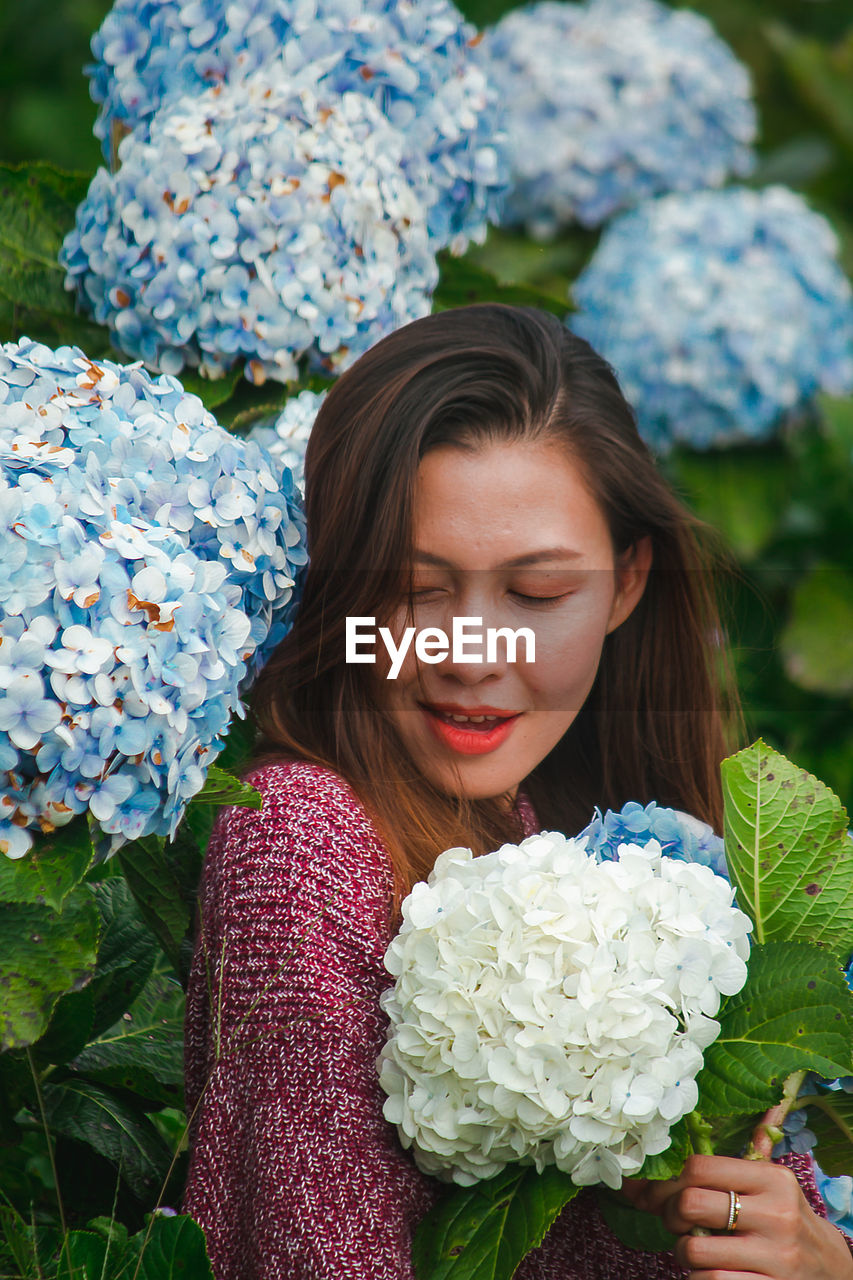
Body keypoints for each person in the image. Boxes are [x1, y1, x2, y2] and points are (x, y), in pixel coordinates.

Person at [181, 304, 853, 1279]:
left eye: (536, 596)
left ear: (626, 583)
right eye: (416, 589)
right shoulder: (302, 848)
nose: (470, 652)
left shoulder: (641, 843)